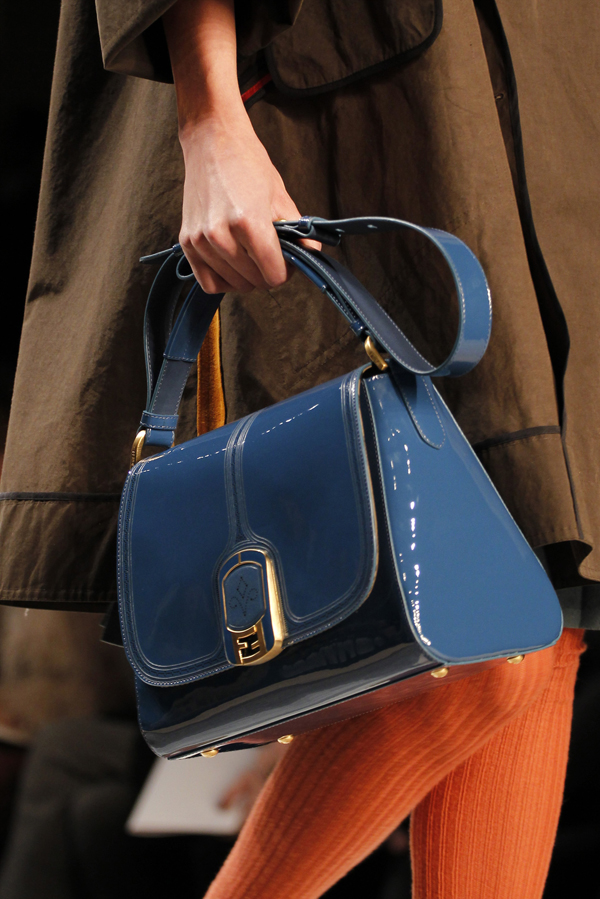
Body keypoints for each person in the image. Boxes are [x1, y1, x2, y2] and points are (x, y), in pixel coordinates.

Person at [0, 0, 599, 896]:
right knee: (483, 628)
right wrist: (208, 117)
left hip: (548, 124)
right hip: (374, 109)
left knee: (536, 612)